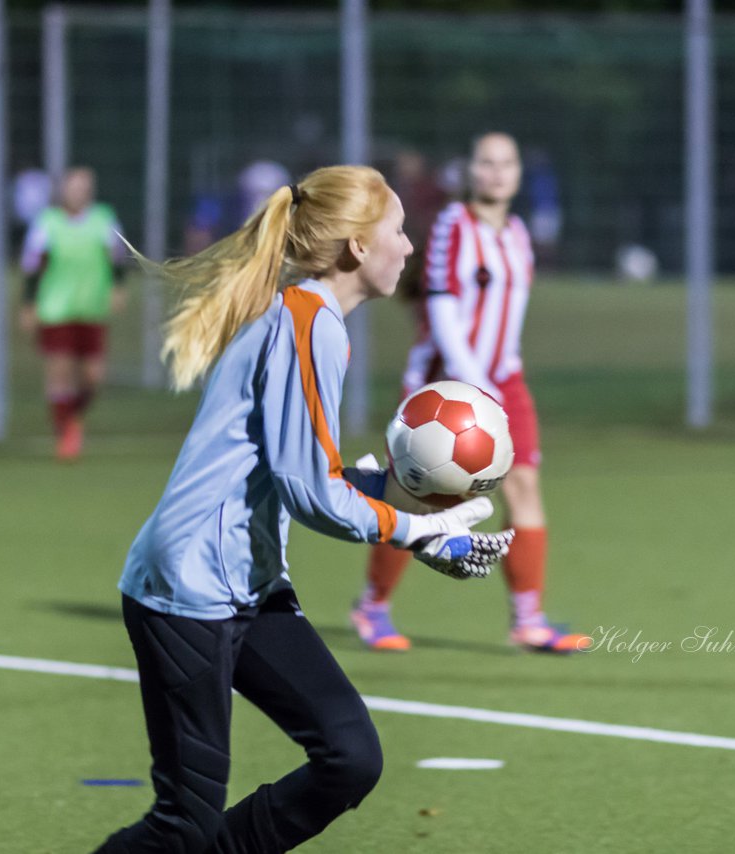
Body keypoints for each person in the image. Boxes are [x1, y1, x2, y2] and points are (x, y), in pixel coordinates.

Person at [93, 165, 512, 853]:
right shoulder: (309, 323)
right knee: (183, 825)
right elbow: (310, 492)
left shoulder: (308, 317)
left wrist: (398, 510)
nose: (407, 247)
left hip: (246, 584)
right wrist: (417, 529)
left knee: (350, 755)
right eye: (398, 231)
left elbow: (301, 470)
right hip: (187, 590)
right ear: (356, 247)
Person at [349, 132, 591, 654]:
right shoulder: (452, 226)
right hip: (447, 381)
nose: (497, 172)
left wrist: (501, 375)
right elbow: (441, 308)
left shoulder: (519, 233)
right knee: (419, 497)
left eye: (507, 163)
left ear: (519, 173)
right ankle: (373, 607)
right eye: (487, 162)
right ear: (472, 171)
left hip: (505, 378)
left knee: (524, 486)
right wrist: (474, 380)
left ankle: (528, 619)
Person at [19, 166, 127, 460]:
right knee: (60, 374)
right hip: (55, 309)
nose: (78, 192)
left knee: (93, 377)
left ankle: (73, 418)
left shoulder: (103, 219)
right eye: (72, 186)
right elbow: (32, 266)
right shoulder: (48, 222)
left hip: (92, 308)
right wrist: (29, 304)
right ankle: (65, 431)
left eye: (83, 187)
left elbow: (116, 257)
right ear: (62, 190)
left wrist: (118, 288)